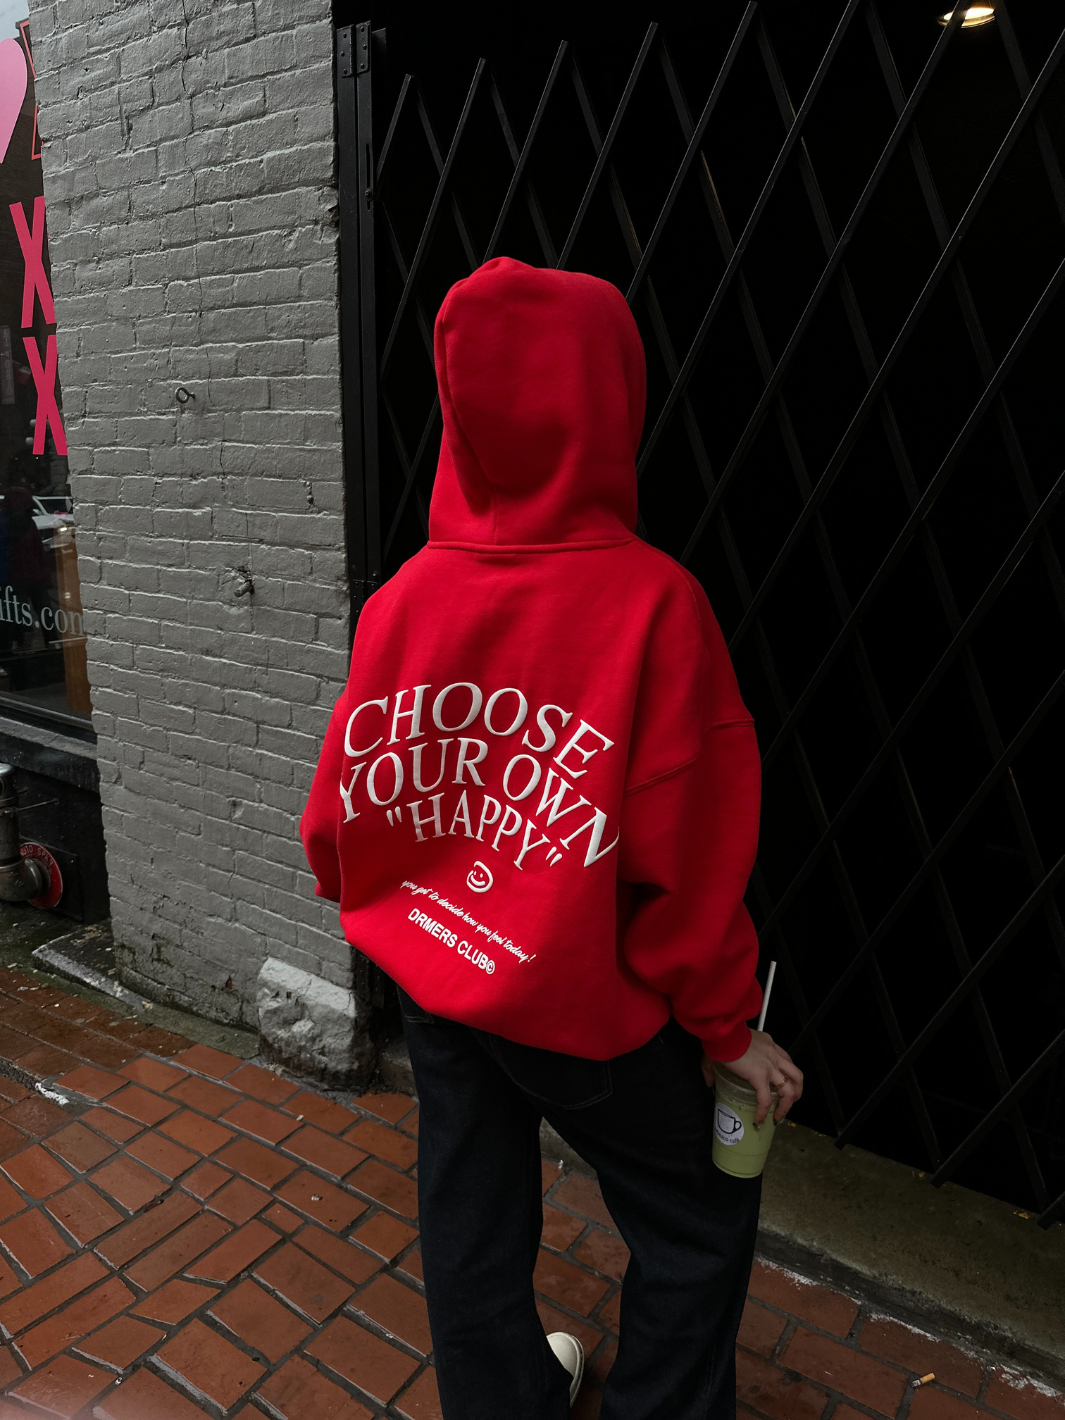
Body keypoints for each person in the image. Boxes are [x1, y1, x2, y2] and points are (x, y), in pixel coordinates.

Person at [301, 257, 803, 1420]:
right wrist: (728, 1030)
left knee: (468, 1214)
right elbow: (689, 869)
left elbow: (336, 824)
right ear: (610, 400)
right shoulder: (655, 608)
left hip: (440, 981)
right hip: (585, 1008)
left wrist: (407, 908)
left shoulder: (403, 601)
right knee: (696, 1215)